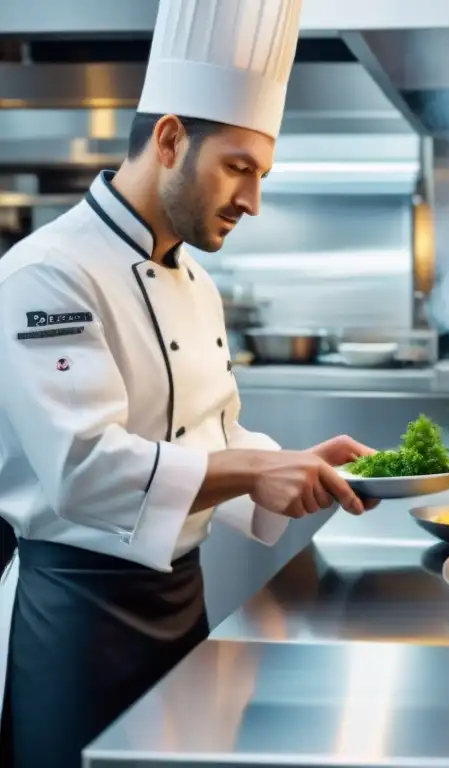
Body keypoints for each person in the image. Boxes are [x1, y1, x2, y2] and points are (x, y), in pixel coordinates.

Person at [0, 1, 379, 765]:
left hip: (183, 602)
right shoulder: (47, 274)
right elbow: (85, 470)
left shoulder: (198, 281)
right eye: (238, 168)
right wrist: (253, 471)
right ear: (170, 139)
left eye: (261, 175)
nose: (252, 200)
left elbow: (213, 435)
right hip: (80, 619)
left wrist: (293, 467)